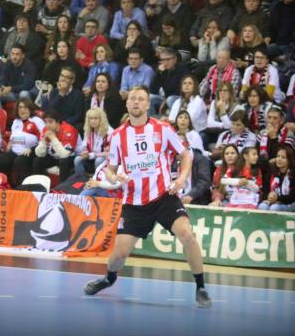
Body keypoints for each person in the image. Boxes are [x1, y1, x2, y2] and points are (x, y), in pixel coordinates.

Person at [82, 86, 212, 308]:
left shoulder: (162, 129)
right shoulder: (117, 136)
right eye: (132, 99)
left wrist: (181, 180)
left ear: (147, 104)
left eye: (141, 99)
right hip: (133, 202)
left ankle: (200, 287)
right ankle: (109, 278)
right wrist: (114, 177)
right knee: (119, 255)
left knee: (187, 235)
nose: (136, 102)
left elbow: (185, 154)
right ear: (127, 104)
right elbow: (111, 168)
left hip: (163, 196)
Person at [0, 98, 45, 187]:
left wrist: (31, 149)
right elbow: (13, 139)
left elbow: (44, 140)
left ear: (30, 109)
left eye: (25, 107)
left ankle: (22, 188)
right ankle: (5, 184)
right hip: (15, 151)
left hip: (31, 151)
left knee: (20, 161)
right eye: (20, 107)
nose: (22, 110)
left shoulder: (37, 121)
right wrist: (7, 148)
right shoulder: (16, 122)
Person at [33, 109, 81, 181]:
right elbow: (39, 154)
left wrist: (53, 138)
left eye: (50, 122)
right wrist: (44, 141)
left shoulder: (69, 129)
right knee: (38, 160)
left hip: (72, 158)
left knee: (63, 161)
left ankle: (62, 188)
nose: (47, 125)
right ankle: (38, 185)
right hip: (55, 157)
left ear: (58, 122)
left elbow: (65, 154)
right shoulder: (45, 129)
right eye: (46, 122)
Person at [259, 144, 295, 212]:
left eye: (283, 157)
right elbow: (265, 190)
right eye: (278, 156)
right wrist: (269, 195)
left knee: (274, 208)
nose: (279, 159)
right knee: (262, 206)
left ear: (289, 160)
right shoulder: (271, 171)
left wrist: (278, 198)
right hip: (273, 202)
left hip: (289, 203)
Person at [0, 44, 36, 109]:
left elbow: (28, 85)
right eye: (13, 54)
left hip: (26, 92)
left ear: (23, 55)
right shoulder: (8, 64)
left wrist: (11, 88)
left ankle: (28, 117)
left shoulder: (29, 65)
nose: (14, 57)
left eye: (17, 54)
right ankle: (0, 117)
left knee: (23, 94)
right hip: (13, 94)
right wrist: (1, 88)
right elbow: (2, 80)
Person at [74, 108, 112, 176]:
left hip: (104, 157)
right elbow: (84, 145)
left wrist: (94, 155)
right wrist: (85, 151)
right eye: (91, 118)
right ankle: (82, 180)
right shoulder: (88, 129)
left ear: (101, 119)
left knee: (99, 160)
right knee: (77, 160)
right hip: (91, 156)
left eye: (96, 118)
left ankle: (98, 180)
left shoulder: (109, 131)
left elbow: (110, 153)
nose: (93, 121)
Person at [204, 82, 243, 148]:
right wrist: (222, 125)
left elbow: (229, 126)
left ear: (230, 93)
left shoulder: (236, 107)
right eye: (220, 91)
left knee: (223, 134)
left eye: (225, 91)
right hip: (213, 132)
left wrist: (222, 111)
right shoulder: (214, 103)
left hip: (228, 133)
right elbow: (209, 123)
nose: (222, 93)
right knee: (203, 135)